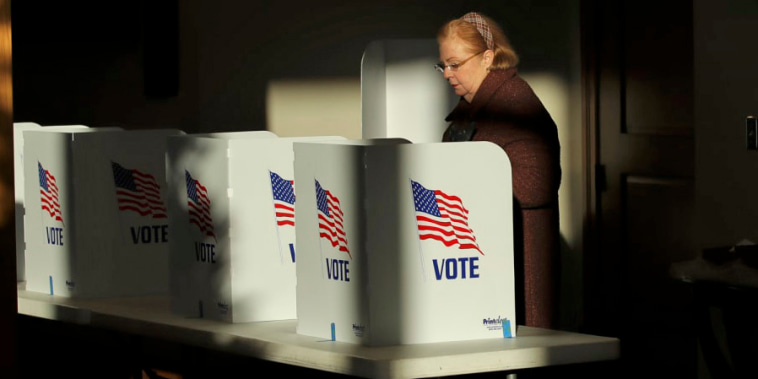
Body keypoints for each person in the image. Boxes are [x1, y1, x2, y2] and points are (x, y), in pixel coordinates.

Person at [436, 12, 562, 329]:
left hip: (518, 264)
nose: (447, 74)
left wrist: (467, 192)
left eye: (456, 64)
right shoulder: (473, 109)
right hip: (485, 262)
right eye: (443, 65)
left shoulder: (515, 104)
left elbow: (537, 184)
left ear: (488, 57)